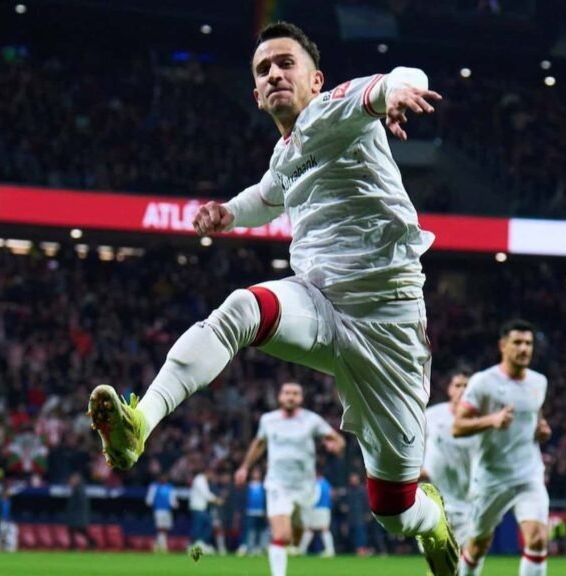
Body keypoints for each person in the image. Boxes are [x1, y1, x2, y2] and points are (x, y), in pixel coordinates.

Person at [86, 18, 458, 575]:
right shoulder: (286, 156)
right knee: (241, 309)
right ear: (257, 95)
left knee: (393, 510)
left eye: (286, 63)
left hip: (389, 329)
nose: (275, 74)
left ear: (316, 80)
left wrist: (402, 88)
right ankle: (139, 423)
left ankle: (432, 521)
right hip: (319, 305)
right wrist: (228, 213)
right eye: (263, 70)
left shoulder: (335, 109)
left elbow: (390, 80)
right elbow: (268, 194)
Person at [454, 319, 553, 576]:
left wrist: (541, 430)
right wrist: (491, 420)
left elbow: (535, 417)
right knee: (478, 545)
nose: (524, 349)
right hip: (492, 477)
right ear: (503, 346)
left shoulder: (538, 382)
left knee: (538, 539)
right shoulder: (483, 382)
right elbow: (458, 426)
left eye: (528, 343)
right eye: (517, 343)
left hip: (529, 474)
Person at [234, 382, 345, 576]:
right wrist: (244, 467)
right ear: (280, 396)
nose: (291, 397)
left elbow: (338, 440)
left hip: (305, 486)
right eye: (287, 393)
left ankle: (293, 533)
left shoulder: (312, 420)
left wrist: (336, 446)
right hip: (277, 484)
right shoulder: (268, 420)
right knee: (281, 535)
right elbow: (259, 444)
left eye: (295, 393)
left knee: (296, 535)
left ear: (301, 398)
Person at [422, 371, 479, 547]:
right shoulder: (431, 416)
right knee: (439, 559)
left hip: (468, 505)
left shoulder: (480, 422)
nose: (462, 390)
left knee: (466, 559)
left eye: (467, 386)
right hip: (434, 502)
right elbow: (414, 446)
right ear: (449, 389)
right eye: (458, 385)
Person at [299, 473, 335, 557]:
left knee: (320, 529)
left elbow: (315, 498)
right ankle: (302, 549)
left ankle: (330, 550)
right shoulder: (327, 484)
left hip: (317, 509)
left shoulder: (317, 484)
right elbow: (331, 495)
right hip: (325, 508)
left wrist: (307, 505)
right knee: (312, 528)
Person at [189, 465, 222, 554]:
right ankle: (193, 545)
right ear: (208, 472)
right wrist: (217, 500)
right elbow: (206, 494)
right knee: (198, 527)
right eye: (212, 474)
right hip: (197, 507)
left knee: (207, 524)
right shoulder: (199, 480)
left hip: (202, 508)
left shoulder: (204, 480)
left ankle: (201, 544)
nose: (213, 476)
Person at [238, 468, 267, 556]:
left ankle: (260, 548)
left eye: (258, 473)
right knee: (251, 531)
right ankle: (250, 548)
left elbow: (266, 500)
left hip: (261, 512)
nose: (256, 475)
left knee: (261, 531)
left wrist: (266, 511)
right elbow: (243, 499)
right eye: (254, 473)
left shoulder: (264, 486)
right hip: (250, 512)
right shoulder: (248, 486)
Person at [145, 472, 177, 553]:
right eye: (162, 477)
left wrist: (174, 504)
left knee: (165, 528)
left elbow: (173, 501)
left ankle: (157, 545)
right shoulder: (154, 487)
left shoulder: (170, 487)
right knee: (160, 528)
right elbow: (149, 500)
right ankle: (163, 546)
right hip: (158, 510)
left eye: (165, 477)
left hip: (167, 510)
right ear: (159, 478)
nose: (164, 479)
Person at [65, 472, 93, 550]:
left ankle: (92, 543)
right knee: (73, 530)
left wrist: (75, 514)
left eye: (72, 479)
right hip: (77, 516)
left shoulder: (79, 490)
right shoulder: (77, 489)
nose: (70, 481)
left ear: (77, 480)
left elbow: (81, 504)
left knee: (80, 530)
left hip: (78, 516)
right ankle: (73, 546)